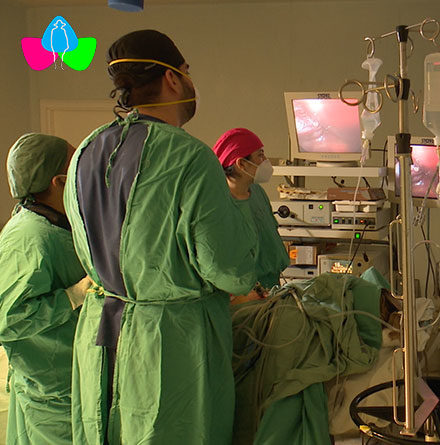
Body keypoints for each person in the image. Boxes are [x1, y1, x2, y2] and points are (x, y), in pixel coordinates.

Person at [63, 30, 258, 444]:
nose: (191, 83)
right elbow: (233, 272)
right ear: (173, 78)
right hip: (169, 346)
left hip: (98, 338)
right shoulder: (189, 157)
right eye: (188, 73)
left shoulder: (84, 151)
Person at [0, 133, 91, 445]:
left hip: (69, 379)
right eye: (76, 164)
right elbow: (8, 320)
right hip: (52, 389)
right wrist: (73, 296)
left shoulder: (56, 224)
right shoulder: (29, 237)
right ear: (59, 182)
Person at [212, 128, 289, 296]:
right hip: (244, 294)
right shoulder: (219, 203)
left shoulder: (257, 193)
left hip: (272, 285)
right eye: (260, 155)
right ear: (242, 164)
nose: (265, 161)